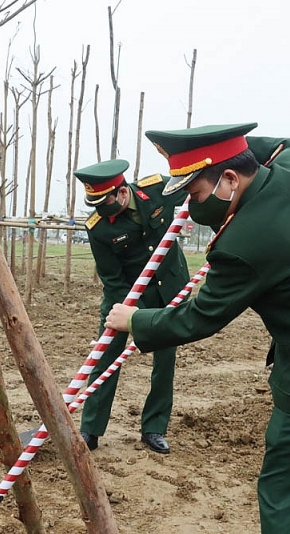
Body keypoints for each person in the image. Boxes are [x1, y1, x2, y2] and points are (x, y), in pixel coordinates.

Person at [105, 123, 290, 533]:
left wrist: (134, 319)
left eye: (195, 194)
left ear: (229, 179)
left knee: (286, 504)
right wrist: (236, 149)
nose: (192, 207)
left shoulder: (241, 243)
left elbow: (199, 316)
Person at [73, 159, 190, 454]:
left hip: (168, 290)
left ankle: (154, 428)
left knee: (165, 362)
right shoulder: (98, 228)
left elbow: (194, 188)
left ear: (123, 192)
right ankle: (91, 429)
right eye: (95, 204)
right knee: (105, 358)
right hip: (124, 296)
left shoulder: (158, 189)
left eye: (106, 202)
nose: (101, 210)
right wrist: (132, 314)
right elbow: (112, 279)